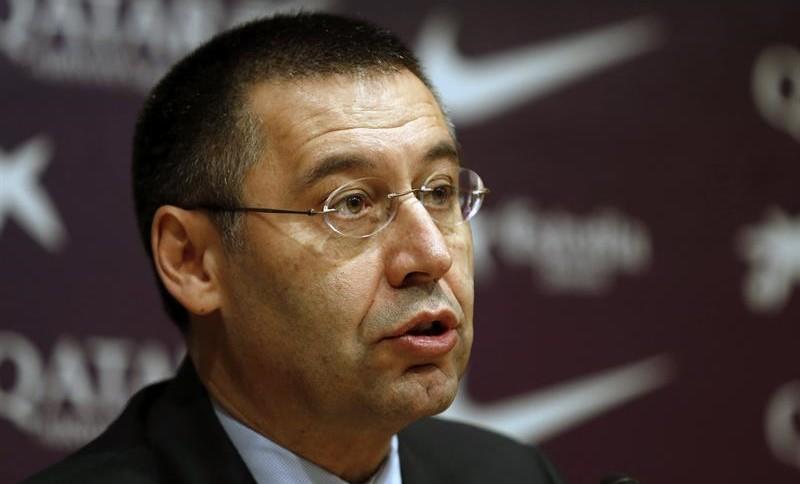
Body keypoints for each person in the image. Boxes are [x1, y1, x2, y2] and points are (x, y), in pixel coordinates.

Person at [26, 12, 562, 484]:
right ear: (192, 261)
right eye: (351, 204)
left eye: (439, 192)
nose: (431, 257)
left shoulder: (512, 474)